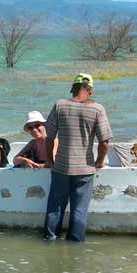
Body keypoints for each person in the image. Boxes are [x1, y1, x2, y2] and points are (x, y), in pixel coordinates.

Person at [43, 73, 113, 242]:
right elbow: (104, 142)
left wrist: (50, 160)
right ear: (91, 91)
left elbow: (49, 137)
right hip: (85, 169)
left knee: (55, 208)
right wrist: (99, 162)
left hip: (61, 167)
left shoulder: (60, 105)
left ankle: (50, 240)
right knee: (79, 210)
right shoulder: (98, 109)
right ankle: (75, 247)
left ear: (72, 88)